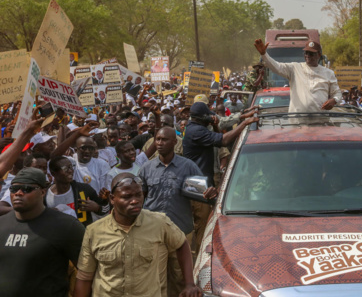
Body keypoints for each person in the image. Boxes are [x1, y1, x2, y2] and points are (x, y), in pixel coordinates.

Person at [73, 173, 202, 297]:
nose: (135, 201)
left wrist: (189, 283)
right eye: (127, 196)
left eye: (138, 195)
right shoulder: (94, 231)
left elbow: (181, 243)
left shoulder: (159, 223)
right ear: (112, 199)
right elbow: (85, 278)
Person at [138, 127, 214, 296]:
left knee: (180, 276)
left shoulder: (188, 166)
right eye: (157, 139)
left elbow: (203, 193)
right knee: (156, 277)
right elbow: (140, 198)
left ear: (174, 142)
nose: (159, 143)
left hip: (181, 231)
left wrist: (209, 193)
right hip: (153, 232)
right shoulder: (146, 168)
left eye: (164, 140)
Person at [183, 102, 257, 254]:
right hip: (198, 186)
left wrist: (215, 126)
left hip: (203, 182)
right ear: (203, 118)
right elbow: (223, 140)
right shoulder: (196, 131)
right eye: (209, 116)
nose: (212, 117)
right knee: (202, 225)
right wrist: (244, 124)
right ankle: (199, 258)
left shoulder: (197, 129)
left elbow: (217, 141)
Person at [0, 168, 85, 297]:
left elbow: (86, 273)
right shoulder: (2, 223)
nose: (18, 193)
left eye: (27, 189)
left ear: (42, 192)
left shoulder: (66, 226)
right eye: (14, 189)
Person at [254, 38, 342, 112]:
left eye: (311, 53)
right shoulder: (295, 68)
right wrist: (264, 54)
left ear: (318, 55)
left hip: (321, 121)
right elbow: (277, 67)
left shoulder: (328, 73)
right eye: (306, 53)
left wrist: (334, 100)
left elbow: (337, 93)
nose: (308, 55)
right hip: (297, 121)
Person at [47, 156, 108, 227]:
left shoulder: (84, 189)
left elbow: (106, 209)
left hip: (84, 235)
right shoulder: (45, 195)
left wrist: (97, 208)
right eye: (65, 168)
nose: (70, 171)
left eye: (71, 167)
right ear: (53, 173)